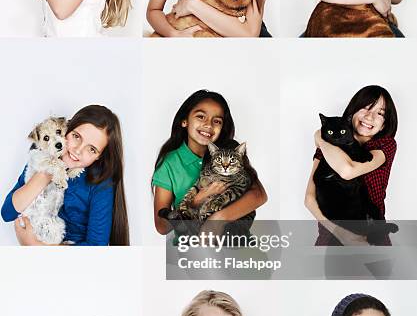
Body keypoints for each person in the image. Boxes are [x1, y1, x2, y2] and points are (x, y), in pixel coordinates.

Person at [1, 105, 129, 246]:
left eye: (92, 149)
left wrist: (36, 247)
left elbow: (96, 247)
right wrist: (49, 171)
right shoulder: (43, 158)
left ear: (99, 156)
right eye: (76, 136)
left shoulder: (101, 183)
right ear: (66, 129)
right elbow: (7, 212)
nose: (78, 150)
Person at [152, 89, 267, 235]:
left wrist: (217, 220)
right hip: (193, 250)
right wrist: (196, 201)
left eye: (217, 121)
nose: (209, 124)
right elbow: (162, 227)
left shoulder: (230, 151)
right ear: (184, 121)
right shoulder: (169, 163)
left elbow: (259, 195)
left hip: (235, 245)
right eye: (201, 116)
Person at [305, 85, 397, 246]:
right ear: (353, 111)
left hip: (372, 237)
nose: (370, 116)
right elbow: (309, 199)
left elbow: (348, 171)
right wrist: (343, 235)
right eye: (366, 108)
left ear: (384, 124)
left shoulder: (385, 145)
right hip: (332, 238)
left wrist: (320, 139)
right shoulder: (329, 144)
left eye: (380, 113)